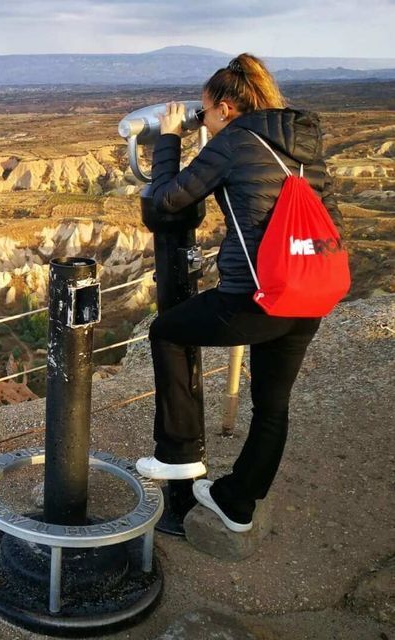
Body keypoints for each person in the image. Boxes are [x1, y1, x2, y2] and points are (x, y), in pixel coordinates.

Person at [134, 53, 345, 533]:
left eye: (205, 111)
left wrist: (169, 138)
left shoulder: (233, 140)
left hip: (257, 298)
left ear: (227, 108)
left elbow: (169, 198)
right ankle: (237, 503)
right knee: (272, 405)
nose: (203, 119)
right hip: (310, 293)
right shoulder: (303, 144)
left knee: (167, 330)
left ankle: (179, 455)